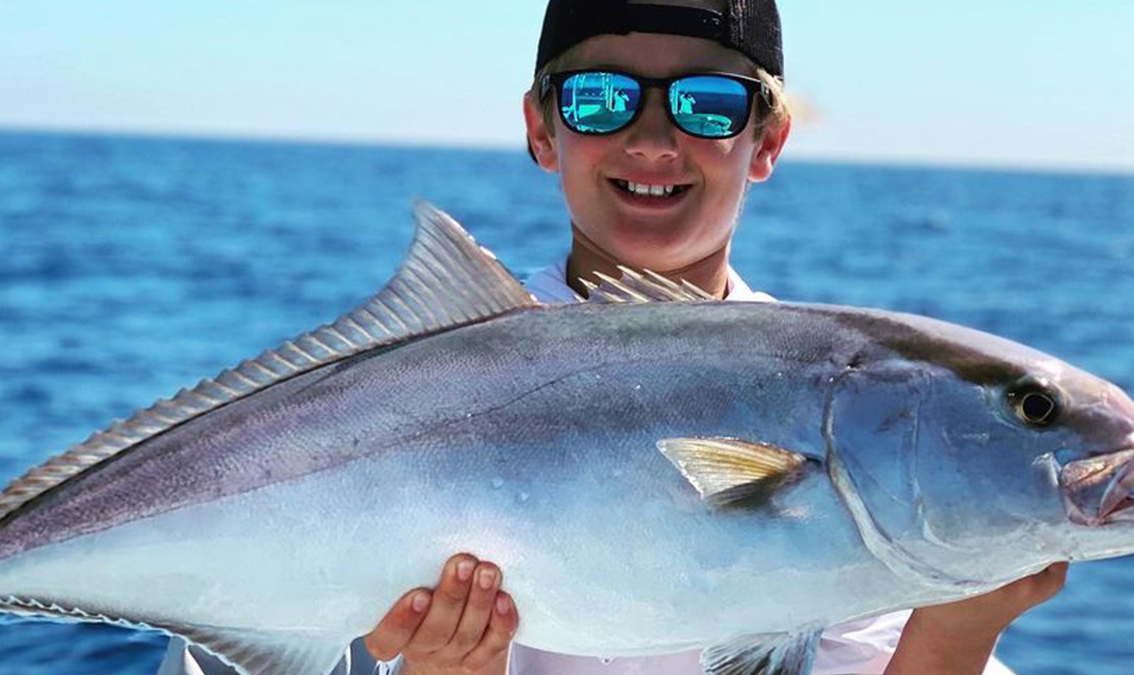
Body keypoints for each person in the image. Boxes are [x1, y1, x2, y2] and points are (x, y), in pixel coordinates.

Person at [159, 1, 1067, 673]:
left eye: (710, 103)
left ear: (769, 137)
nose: (654, 139)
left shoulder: (852, 410)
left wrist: (962, 621)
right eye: (600, 99)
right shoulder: (405, 378)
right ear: (541, 128)